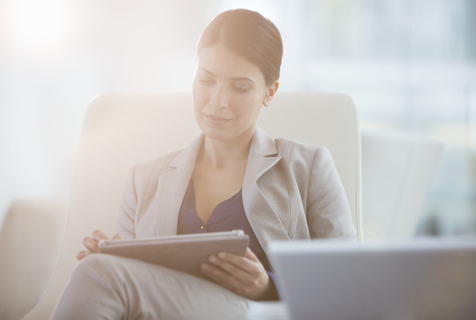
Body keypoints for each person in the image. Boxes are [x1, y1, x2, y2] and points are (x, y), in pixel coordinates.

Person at [52, 8, 357, 320]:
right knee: (99, 270)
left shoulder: (307, 167)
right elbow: (128, 285)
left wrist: (269, 287)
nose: (217, 101)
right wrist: (111, 261)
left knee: (100, 273)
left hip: (262, 314)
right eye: (206, 80)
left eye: (239, 87)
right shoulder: (144, 180)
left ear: (270, 92)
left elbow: (353, 284)